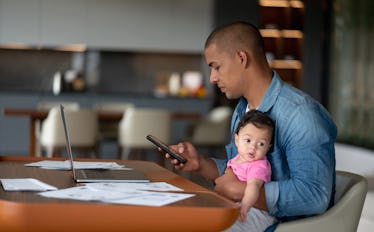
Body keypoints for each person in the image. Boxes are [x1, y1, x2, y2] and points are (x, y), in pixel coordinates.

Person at [165, 21, 337, 232]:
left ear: (241, 58)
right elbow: (241, 171)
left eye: (216, 67)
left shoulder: (301, 114)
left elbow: (314, 196)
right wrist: (200, 163)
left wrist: (241, 191)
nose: (212, 78)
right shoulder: (242, 110)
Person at [228, 109, 274, 223]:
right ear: (237, 140)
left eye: (261, 144)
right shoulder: (238, 159)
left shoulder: (258, 166)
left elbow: (253, 187)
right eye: (248, 140)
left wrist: (245, 206)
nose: (253, 147)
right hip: (236, 203)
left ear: (268, 147)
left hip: (255, 209)